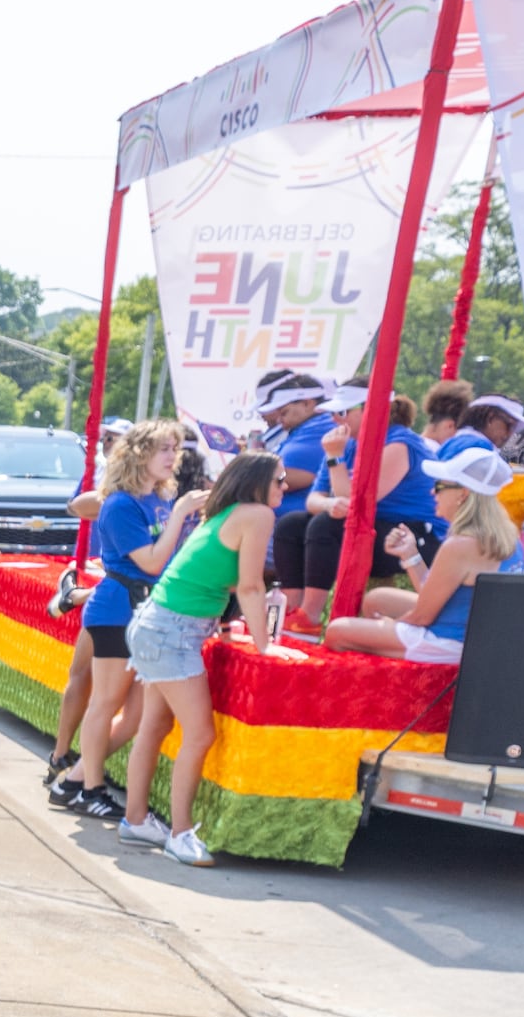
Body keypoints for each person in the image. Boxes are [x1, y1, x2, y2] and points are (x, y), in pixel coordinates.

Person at [115, 451, 283, 868]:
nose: (286, 486)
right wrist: (265, 647)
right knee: (200, 734)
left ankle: (136, 819)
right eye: (279, 479)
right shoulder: (257, 515)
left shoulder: (226, 514)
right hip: (171, 632)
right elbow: (249, 587)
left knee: (155, 726)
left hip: (161, 625)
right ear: (258, 482)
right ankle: (180, 832)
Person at [49, 418, 183, 822]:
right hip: (117, 609)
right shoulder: (122, 504)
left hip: (145, 611)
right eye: (165, 449)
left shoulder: (158, 499)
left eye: (175, 449)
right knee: (105, 703)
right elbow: (152, 560)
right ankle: (91, 788)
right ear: (140, 454)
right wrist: (181, 517)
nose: (172, 457)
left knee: (136, 716)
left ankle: (72, 781)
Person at [322, 447, 524, 662]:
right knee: (376, 600)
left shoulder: (460, 545)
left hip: (448, 643)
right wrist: (410, 555)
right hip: (474, 637)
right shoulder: (508, 536)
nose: (432, 492)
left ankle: (385, 684)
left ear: (463, 494)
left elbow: (422, 616)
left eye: (439, 486)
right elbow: (435, 595)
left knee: (337, 631)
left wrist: (391, 626)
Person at [301, 391, 432, 595]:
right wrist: (329, 504)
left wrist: (335, 457)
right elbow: (313, 499)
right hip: (379, 527)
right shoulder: (346, 443)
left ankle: (311, 613)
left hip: (414, 536)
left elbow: (355, 504)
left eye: (342, 412)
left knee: (325, 525)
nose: (335, 419)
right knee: (293, 525)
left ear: (371, 410)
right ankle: (294, 610)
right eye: (333, 413)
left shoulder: (398, 443)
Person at [250, 372, 335, 634]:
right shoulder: (303, 429)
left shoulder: (319, 428)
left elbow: (293, 477)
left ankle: (280, 622)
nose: (280, 420)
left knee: (235, 563)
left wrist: (243, 477)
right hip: (288, 528)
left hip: (291, 531)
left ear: (308, 403)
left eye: (285, 412)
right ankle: (276, 621)